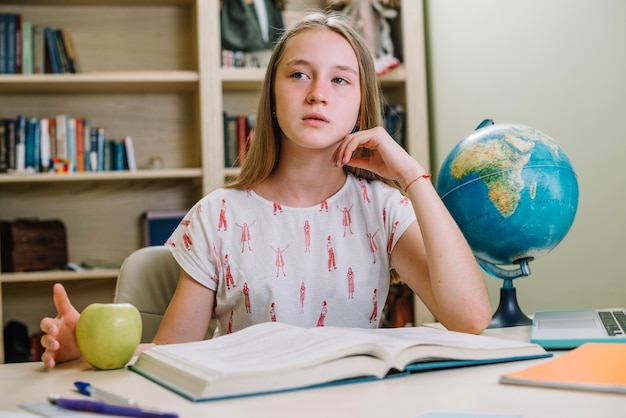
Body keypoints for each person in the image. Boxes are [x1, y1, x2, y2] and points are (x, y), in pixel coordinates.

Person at [40, 11, 492, 369]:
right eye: (299, 75)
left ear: (360, 106)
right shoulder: (217, 216)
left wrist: (411, 176)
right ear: (272, 98)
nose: (318, 93)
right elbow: (171, 355)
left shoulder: (383, 208)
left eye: (340, 79)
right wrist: (87, 346)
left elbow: (469, 319)